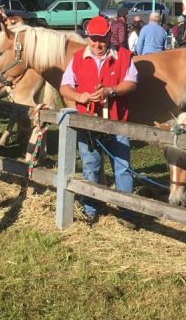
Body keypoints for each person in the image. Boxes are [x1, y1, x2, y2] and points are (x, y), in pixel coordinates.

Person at [58, 14, 138, 226]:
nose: (97, 44)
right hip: (88, 123)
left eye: (102, 39)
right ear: (87, 37)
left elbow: (131, 82)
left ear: (110, 35)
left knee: (122, 167)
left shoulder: (123, 56)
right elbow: (65, 87)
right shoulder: (77, 58)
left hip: (117, 122)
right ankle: (91, 209)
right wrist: (79, 96)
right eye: (93, 39)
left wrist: (111, 91)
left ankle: (127, 212)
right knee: (90, 166)